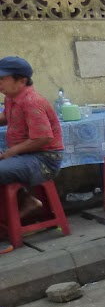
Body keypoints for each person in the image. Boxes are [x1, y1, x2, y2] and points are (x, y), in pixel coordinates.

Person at [0, 57, 64, 218]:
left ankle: (23, 203)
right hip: (25, 156)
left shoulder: (32, 101)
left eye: (2, 79)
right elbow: (6, 117)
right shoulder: (11, 98)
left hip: (44, 160)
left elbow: (43, 138)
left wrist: (11, 152)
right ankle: (27, 200)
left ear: (21, 81)